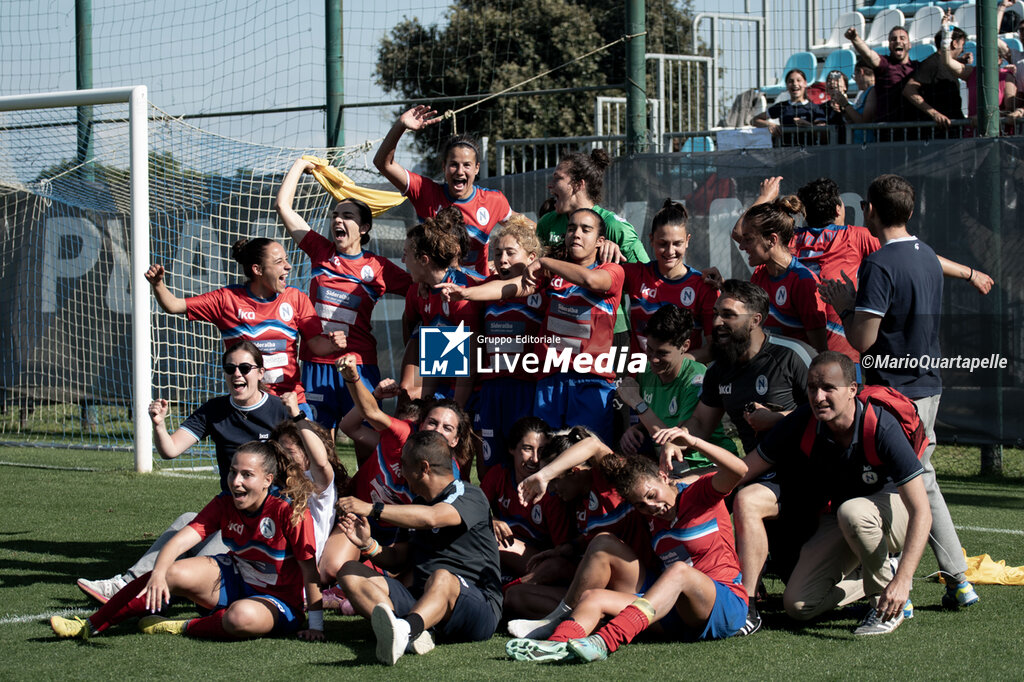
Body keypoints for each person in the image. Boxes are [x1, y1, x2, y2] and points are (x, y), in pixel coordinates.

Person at [819, 173, 979, 609]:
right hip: (926, 385)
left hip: (895, 394)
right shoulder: (925, 254)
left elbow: (863, 339)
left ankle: (904, 585)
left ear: (868, 210)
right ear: (910, 212)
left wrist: (844, 303)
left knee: (910, 483)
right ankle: (956, 581)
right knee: (920, 481)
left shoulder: (879, 264)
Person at [505, 430, 749, 662]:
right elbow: (598, 453)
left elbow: (739, 470)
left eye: (652, 495)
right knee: (593, 596)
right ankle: (557, 643)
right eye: (641, 505)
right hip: (672, 608)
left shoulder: (700, 493)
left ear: (664, 477)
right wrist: (569, 545)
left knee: (679, 572)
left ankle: (604, 642)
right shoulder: (649, 514)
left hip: (724, 604)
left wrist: (693, 442)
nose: (650, 507)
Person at [75, 341, 291, 603]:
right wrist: (159, 425)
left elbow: (305, 465)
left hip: (264, 522)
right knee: (185, 522)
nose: (237, 373)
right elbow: (171, 450)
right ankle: (125, 584)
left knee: (199, 568)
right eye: (230, 368)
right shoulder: (215, 410)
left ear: (260, 372)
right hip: (228, 511)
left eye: (245, 367)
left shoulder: (281, 411)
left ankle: (151, 598)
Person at [52, 442, 324, 642]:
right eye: (233, 472)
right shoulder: (224, 503)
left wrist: (316, 626)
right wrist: (159, 573)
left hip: (278, 602)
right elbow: (183, 539)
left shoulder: (289, 512)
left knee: (241, 618)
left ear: (268, 480)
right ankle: (89, 626)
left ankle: (180, 625)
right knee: (170, 571)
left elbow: (310, 573)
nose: (236, 482)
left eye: (246, 475)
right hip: (233, 579)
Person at [746, 351, 932, 635]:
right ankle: (877, 579)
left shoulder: (881, 425)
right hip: (846, 518)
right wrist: (693, 479)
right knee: (797, 605)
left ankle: (885, 607)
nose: (818, 397)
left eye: (828, 388)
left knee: (854, 512)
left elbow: (921, 510)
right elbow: (745, 468)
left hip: (893, 517)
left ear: (852, 390)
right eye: (812, 388)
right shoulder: (804, 418)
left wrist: (905, 579)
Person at [675, 279, 814, 633]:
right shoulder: (720, 370)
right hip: (756, 472)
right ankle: (703, 585)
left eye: (728, 315)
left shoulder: (791, 355)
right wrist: (675, 443)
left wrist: (777, 419)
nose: (717, 322)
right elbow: (700, 424)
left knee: (748, 500)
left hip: (804, 475)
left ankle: (746, 604)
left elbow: (828, 415)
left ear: (755, 320)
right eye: (715, 314)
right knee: (685, 488)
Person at [439, 207, 625, 444]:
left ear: (600, 241)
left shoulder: (610, 271)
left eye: (585, 229)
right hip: (545, 381)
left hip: (587, 380)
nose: (576, 234)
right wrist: (466, 293)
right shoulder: (425, 291)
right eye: (571, 228)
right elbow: (510, 287)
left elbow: (590, 280)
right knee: (541, 456)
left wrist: (545, 262)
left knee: (585, 457)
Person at [335, 430, 502, 665]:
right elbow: (398, 559)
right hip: (422, 601)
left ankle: (405, 630)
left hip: (477, 608)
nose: (401, 473)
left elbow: (433, 518)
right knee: (349, 571)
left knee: (442, 577)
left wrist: (372, 508)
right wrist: (368, 545)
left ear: (424, 468)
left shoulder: (469, 494)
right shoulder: (418, 505)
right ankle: (404, 630)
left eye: (403, 465)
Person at [275, 157, 413, 431]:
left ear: (363, 229)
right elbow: (283, 206)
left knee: (366, 442)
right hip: (316, 364)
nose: (338, 219)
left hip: (360, 364)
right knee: (316, 444)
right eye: (336, 215)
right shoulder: (320, 251)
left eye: (348, 216)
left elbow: (422, 284)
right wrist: (301, 165)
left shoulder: (379, 267)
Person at [145, 238, 336, 413]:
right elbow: (173, 305)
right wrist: (158, 285)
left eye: (286, 260)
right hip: (249, 406)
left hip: (292, 402)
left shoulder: (296, 298)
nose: (288, 266)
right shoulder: (226, 300)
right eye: (279, 262)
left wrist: (336, 344)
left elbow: (317, 344)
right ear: (257, 270)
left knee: (312, 450)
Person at [373, 105, 526, 276]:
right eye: (453, 164)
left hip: (474, 295)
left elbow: (528, 229)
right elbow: (383, 163)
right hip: (434, 292)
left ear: (476, 168)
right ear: (444, 167)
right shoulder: (425, 191)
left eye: (467, 165)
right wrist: (400, 125)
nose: (460, 171)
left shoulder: (493, 201)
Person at [339, 355, 473, 509]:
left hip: (394, 527)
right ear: (421, 424)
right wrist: (355, 380)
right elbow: (369, 413)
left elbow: (436, 517)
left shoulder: (450, 475)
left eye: (447, 428)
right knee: (409, 389)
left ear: (456, 440)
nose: (437, 431)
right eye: (432, 423)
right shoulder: (403, 434)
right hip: (359, 516)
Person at [616, 305, 736, 470]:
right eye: (649, 349)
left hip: (704, 464)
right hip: (670, 464)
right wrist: (636, 430)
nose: (654, 359)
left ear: (685, 346)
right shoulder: (646, 371)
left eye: (663, 353)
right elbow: (655, 419)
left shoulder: (696, 379)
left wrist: (637, 402)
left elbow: (678, 442)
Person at [473, 217, 546, 475]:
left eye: (510, 253)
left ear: (531, 257)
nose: (502, 259)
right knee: (489, 470)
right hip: (491, 390)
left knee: (527, 466)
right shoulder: (485, 291)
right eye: (498, 253)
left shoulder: (542, 291)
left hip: (526, 388)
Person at [399, 206, 483, 405]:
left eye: (406, 254)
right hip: (448, 376)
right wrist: (426, 404)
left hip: (477, 386)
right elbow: (437, 360)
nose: (403, 260)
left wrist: (456, 413)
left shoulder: (458, 294)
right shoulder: (420, 290)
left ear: (424, 260)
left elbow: (470, 366)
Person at [271, 393, 357, 586]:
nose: (282, 457)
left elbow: (320, 462)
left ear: (308, 453)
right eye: (279, 451)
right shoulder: (273, 480)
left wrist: (296, 413)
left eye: (289, 452)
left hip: (296, 577)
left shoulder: (318, 485)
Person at [621, 199, 718, 362]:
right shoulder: (635, 274)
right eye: (662, 243)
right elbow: (592, 276)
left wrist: (674, 362)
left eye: (677, 243)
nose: (670, 251)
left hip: (683, 383)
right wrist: (605, 245)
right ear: (651, 239)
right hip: (639, 380)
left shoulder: (703, 286)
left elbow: (713, 349)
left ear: (687, 241)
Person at [736, 187, 828, 351]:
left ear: (772, 240)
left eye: (748, 239)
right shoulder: (760, 275)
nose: (742, 246)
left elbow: (819, 351)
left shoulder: (803, 282)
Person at [480, 417, 573, 577]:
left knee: (490, 543)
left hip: (537, 561)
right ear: (512, 449)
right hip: (502, 550)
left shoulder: (553, 493)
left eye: (542, 450)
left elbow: (562, 551)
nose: (535, 459)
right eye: (528, 449)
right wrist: (492, 520)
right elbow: (474, 507)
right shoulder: (498, 474)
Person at [846, 25, 918, 129]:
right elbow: (868, 54)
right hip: (887, 132)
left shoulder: (917, 68)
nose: (898, 41)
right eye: (893, 39)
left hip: (913, 130)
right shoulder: (884, 64)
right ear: (889, 46)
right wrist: (855, 39)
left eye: (902, 38)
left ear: (910, 45)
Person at [903, 25, 968, 136]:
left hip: (953, 129)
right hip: (937, 133)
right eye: (962, 45)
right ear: (954, 43)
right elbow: (909, 89)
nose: (963, 50)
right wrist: (934, 114)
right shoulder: (932, 63)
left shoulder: (948, 64)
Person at [751, 69, 827, 145]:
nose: (795, 84)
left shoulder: (815, 108)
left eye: (798, 80)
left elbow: (823, 134)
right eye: (791, 81)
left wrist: (808, 126)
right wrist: (770, 125)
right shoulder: (782, 106)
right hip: (786, 152)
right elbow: (754, 120)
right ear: (787, 85)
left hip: (809, 152)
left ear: (805, 84)